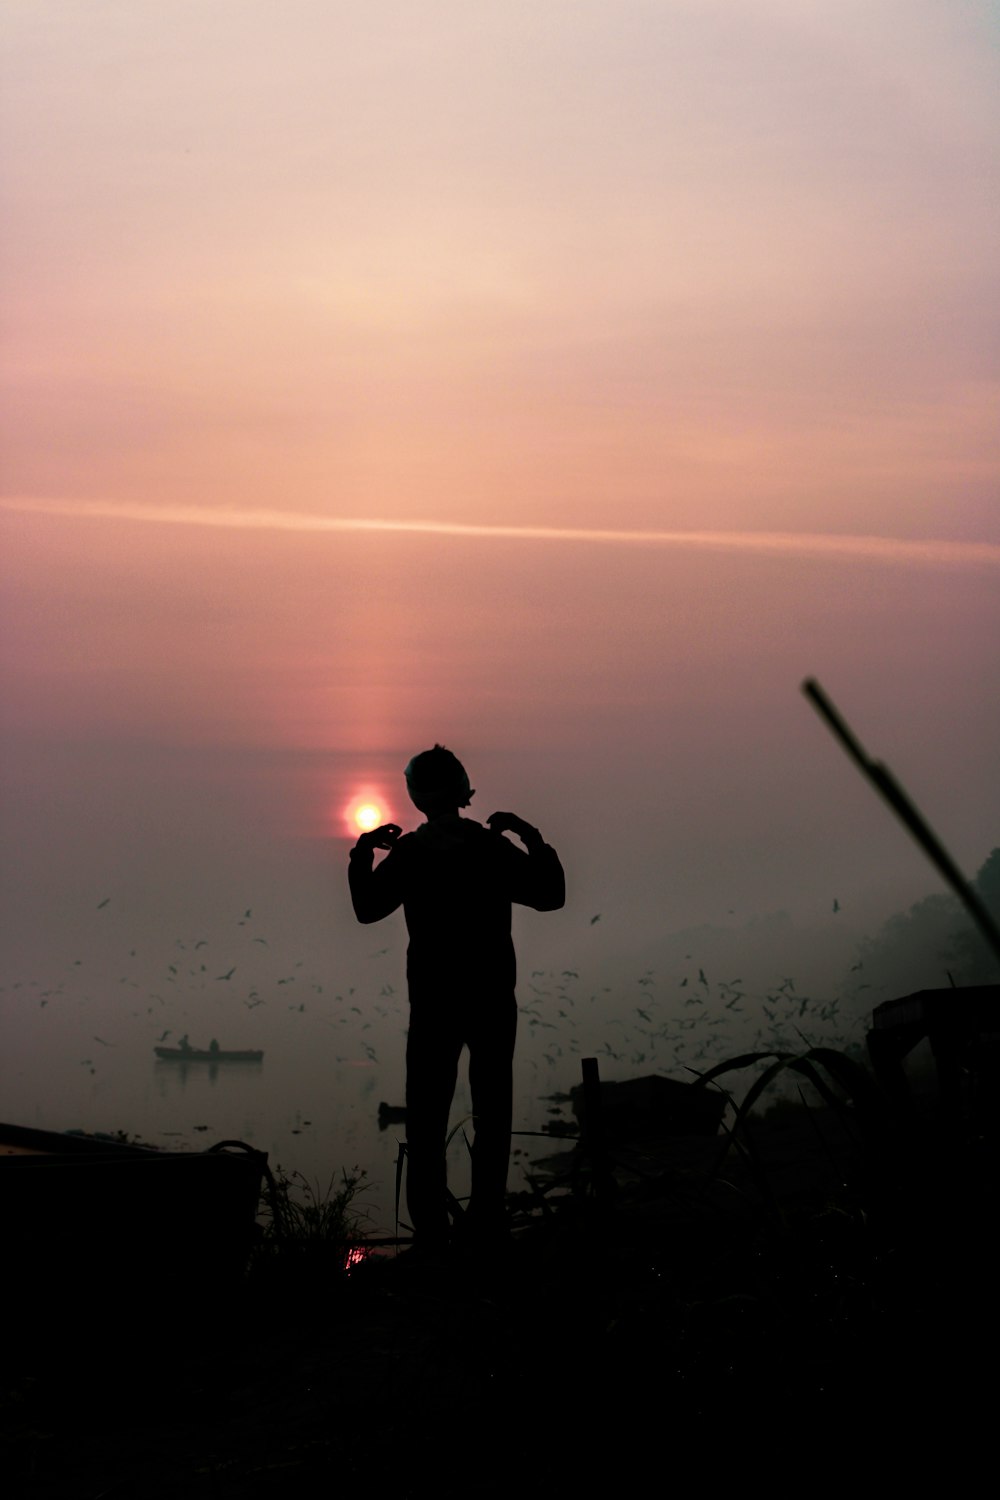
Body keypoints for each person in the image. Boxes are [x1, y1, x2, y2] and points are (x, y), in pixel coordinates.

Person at [348, 745, 565, 1252]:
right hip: (491, 1001)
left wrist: (363, 851)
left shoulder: (411, 856)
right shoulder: (489, 849)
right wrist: (529, 836)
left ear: (415, 796)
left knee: (426, 1120)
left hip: (433, 1006)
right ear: (464, 789)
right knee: (493, 1114)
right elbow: (551, 895)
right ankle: (486, 1221)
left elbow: (366, 909)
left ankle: (431, 1234)